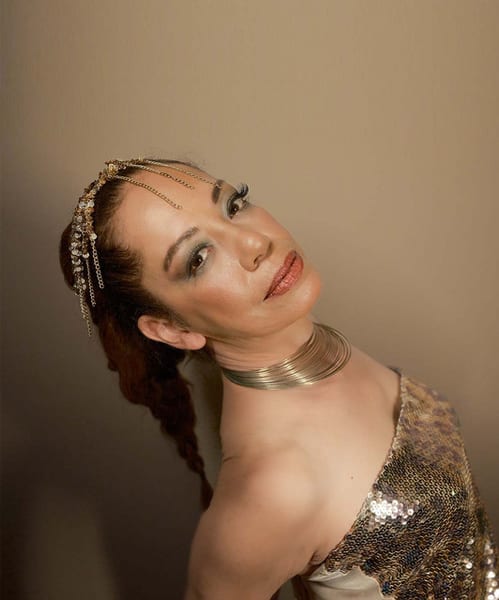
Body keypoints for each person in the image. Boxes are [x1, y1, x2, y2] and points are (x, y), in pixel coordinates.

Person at [60, 158, 498, 600]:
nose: (256, 242)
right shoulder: (269, 493)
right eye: (199, 258)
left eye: (234, 205)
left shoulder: (312, 339)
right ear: (172, 329)